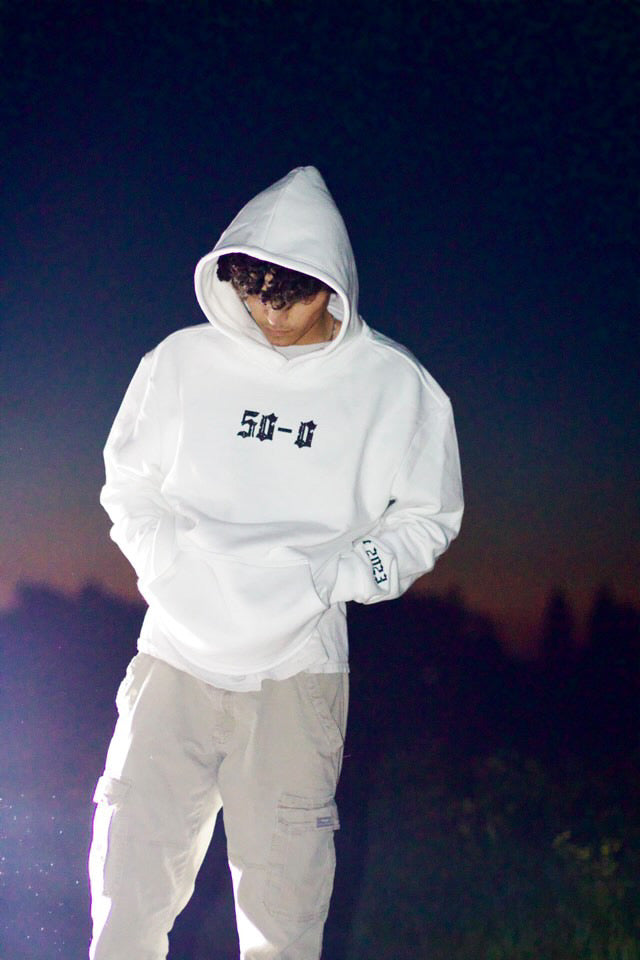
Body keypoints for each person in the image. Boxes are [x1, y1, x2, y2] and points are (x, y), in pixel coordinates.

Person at [89, 166, 464, 960]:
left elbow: (429, 518)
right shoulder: (182, 361)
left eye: (288, 297)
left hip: (298, 671)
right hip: (174, 657)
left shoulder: (396, 386)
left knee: (283, 920)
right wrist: (168, 568)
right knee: (127, 902)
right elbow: (128, 481)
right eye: (253, 294)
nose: (268, 314)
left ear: (331, 284)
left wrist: (334, 577)